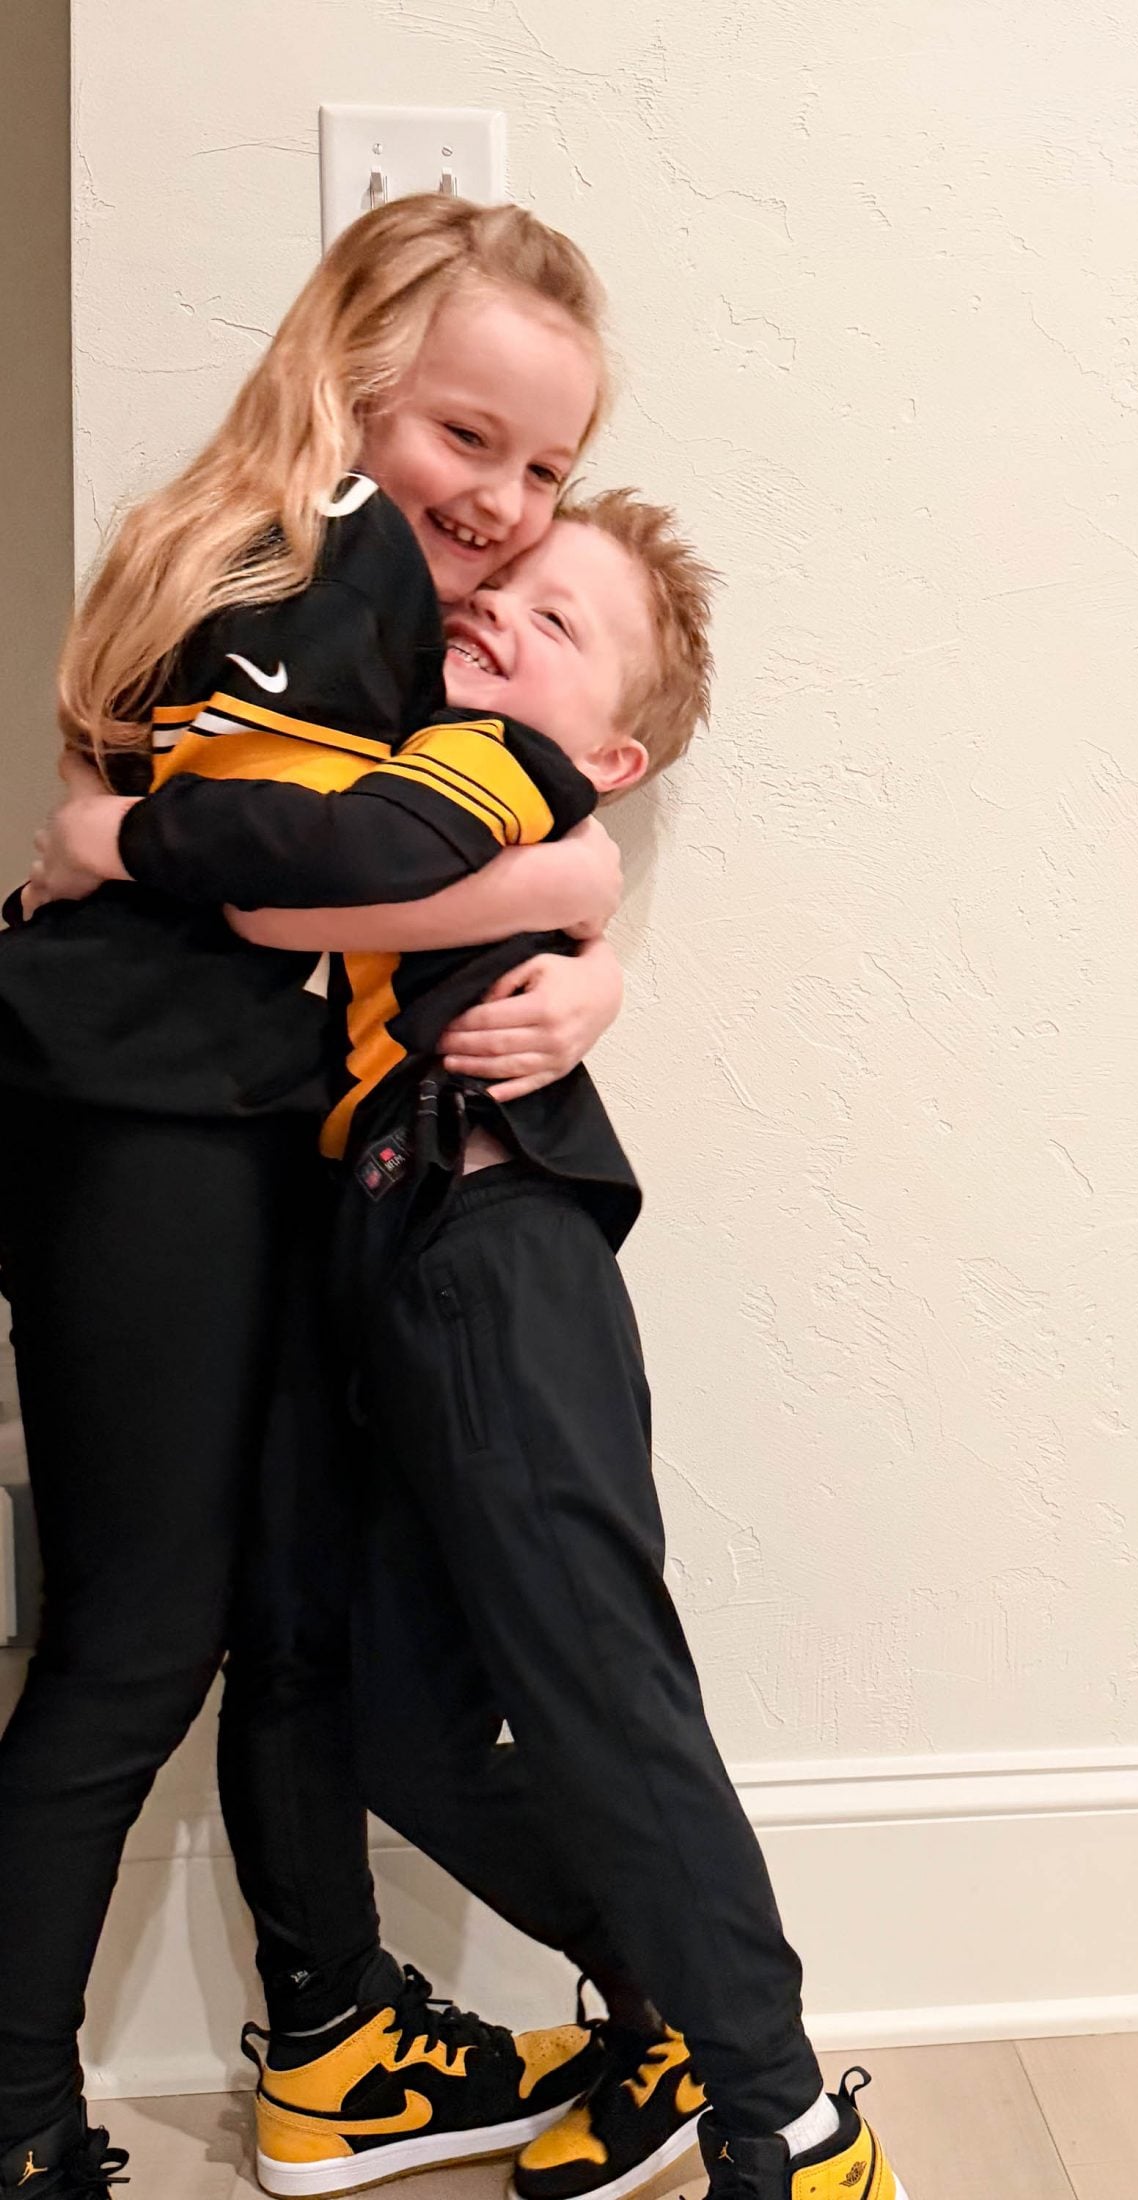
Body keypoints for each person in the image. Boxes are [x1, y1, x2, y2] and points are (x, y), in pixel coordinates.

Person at [0, 196, 646, 2200]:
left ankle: (337, 2030)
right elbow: (326, 860)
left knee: (287, 1609)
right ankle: (15, 2123)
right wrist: (563, 864)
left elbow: (439, 834)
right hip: (145, 1116)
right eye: (468, 435)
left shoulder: (381, 601)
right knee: (138, 1637)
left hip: (254, 1124)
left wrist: (589, 926)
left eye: (545, 466)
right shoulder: (310, 555)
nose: (506, 502)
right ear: (348, 381)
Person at [216, 495, 912, 2200]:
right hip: (396, 1267)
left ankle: (792, 2128)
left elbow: (278, 890)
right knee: (406, 1730)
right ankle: (677, 2018)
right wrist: (586, 919)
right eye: (502, 588)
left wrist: (110, 836)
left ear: (607, 758)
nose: (503, 615)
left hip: (495, 1254)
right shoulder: (421, 763)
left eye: (559, 622)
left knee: (600, 1688)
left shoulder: (481, 782)